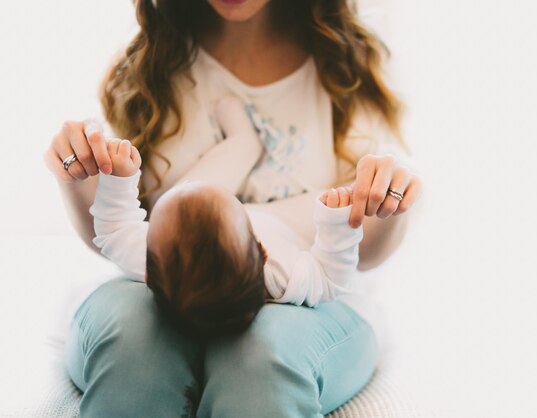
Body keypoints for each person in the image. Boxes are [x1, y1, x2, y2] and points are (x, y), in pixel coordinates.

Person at [43, 0, 422, 416]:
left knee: (262, 360)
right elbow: (118, 235)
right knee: (134, 347)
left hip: (299, 312)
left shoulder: (347, 63)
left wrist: (386, 201)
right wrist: (77, 176)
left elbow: (348, 261)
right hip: (163, 293)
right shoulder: (150, 67)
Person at [89, 95, 364, 338]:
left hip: (220, 215)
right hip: (283, 224)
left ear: (148, 275)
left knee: (189, 195)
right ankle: (246, 143)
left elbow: (114, 230)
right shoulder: (283, 276)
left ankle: (243, 143)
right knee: (334, 198)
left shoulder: (156, 259)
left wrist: (120, 178)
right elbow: (331, 279)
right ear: (262, 251)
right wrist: (335, 225)